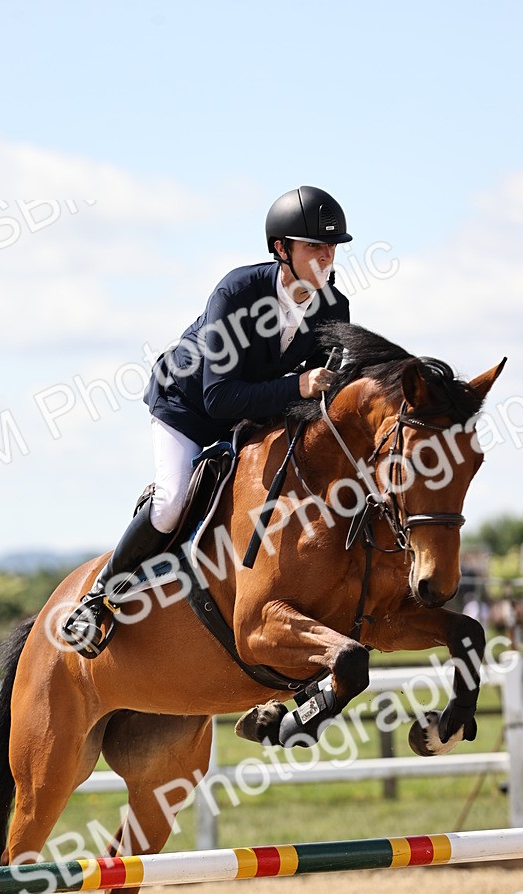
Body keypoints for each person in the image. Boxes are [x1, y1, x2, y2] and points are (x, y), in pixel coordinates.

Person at [64, 185, 353, 656]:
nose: (326, 256)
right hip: (188, 407)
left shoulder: (334, 309)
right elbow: (219, 397)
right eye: (314, 246)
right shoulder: (237, 292)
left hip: (248, 417)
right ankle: (98, 602)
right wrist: (299, 386)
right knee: (172, 502)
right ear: (282, 250)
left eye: (332, 246)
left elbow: (321, 397)